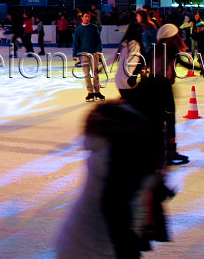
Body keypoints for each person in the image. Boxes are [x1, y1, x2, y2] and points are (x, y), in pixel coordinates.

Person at [55, 77, 174, 258]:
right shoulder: (131, 140)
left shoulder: (120, 126)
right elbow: (113, 202)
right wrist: (127, 250)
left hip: (82, 238)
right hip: (96, 247)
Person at [151, 23, 191, 166]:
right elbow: (183, 63)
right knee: (169, 119)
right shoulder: (171, 48)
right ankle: (170, 152)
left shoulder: (155, 48)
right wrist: (201, 68)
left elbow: (142, 62)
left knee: (159, 120)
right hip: (163, 88)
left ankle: (160, 152)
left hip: (152, 87)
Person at [73, 11, 104, 102]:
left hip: (94, 53)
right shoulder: (78, 29)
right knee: (87, 74)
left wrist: (99, 50)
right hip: (84, 54)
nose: (87, 18)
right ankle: (90, 92)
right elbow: (76, 42)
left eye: (89, 16)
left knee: (95, 73)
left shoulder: (94, 28)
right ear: (82, 18)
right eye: (86, 16)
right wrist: (75, 54)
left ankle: (97, 92)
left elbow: (98, 40)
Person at [114, 22, 143, 101]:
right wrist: (131, 76)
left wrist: (102, 67)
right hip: (127, 80)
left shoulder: (124, 44)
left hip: (118, 80)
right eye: (141, 32)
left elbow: (114, 57)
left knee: (126, 103)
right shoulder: (134, 45)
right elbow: (132, 60)